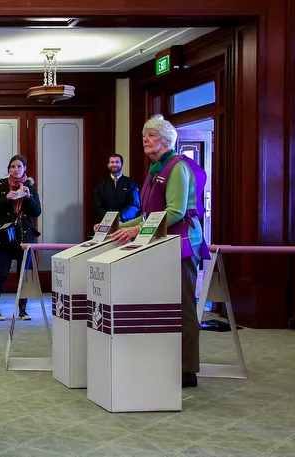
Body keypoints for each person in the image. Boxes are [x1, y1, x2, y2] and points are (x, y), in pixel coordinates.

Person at [107, 114, 211, 389]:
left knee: (184, 307)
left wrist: (136, 231)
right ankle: (164, 361)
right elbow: (148, 215)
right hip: (160, 245)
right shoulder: (155, 170)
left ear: (167, 140)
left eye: (151, 135)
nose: (145, 138)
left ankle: (187, 369)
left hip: (182, 244)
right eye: (144, 134)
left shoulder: (177, 167)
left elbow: (175, 212)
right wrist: (118, 225)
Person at [0, 155, 41, 321]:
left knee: (22, 274)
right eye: (12, 166)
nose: (16, 169)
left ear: (24, 168)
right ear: (8, 169)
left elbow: (37, 211)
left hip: (25, 237)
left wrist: (27, 197)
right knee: (2, 273)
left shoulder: (30, 187)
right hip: (6, 237)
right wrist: (6, 198)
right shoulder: (1, 185)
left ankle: (22, 309)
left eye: (19, 166)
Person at [93, 153, 141, 223]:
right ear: (108, 165)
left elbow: (134, 205)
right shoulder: (100, 185)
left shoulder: (131, 183)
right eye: (112, 162)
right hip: (106, 223)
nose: (114, 164)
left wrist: (120, 217)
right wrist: (109, 219)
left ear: (122, 164)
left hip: (126, 223)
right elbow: (98, 206)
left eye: (117, 162)